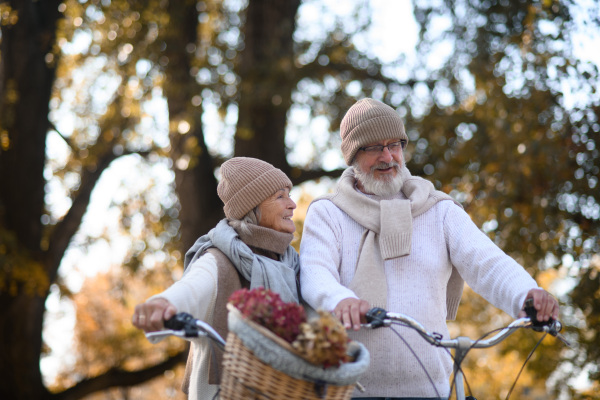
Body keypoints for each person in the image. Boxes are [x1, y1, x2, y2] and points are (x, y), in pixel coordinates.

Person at [299, 98, 559, 399]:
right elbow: (315, 273)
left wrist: (527, 294)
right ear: (353, 155)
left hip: (429, 390)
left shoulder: (439, 210)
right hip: (346, 390)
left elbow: (486, 261)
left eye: (394, 144)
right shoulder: (328, 213)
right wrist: (340, 299)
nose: (387, 156)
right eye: (373, 147)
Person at [132, 157, 300, 400]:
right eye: (280, 196)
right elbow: (193, 287)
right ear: (252, 207)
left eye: (289, 194)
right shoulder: (218, 258)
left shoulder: (290, 262)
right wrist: (163, 304)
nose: (292, 204)